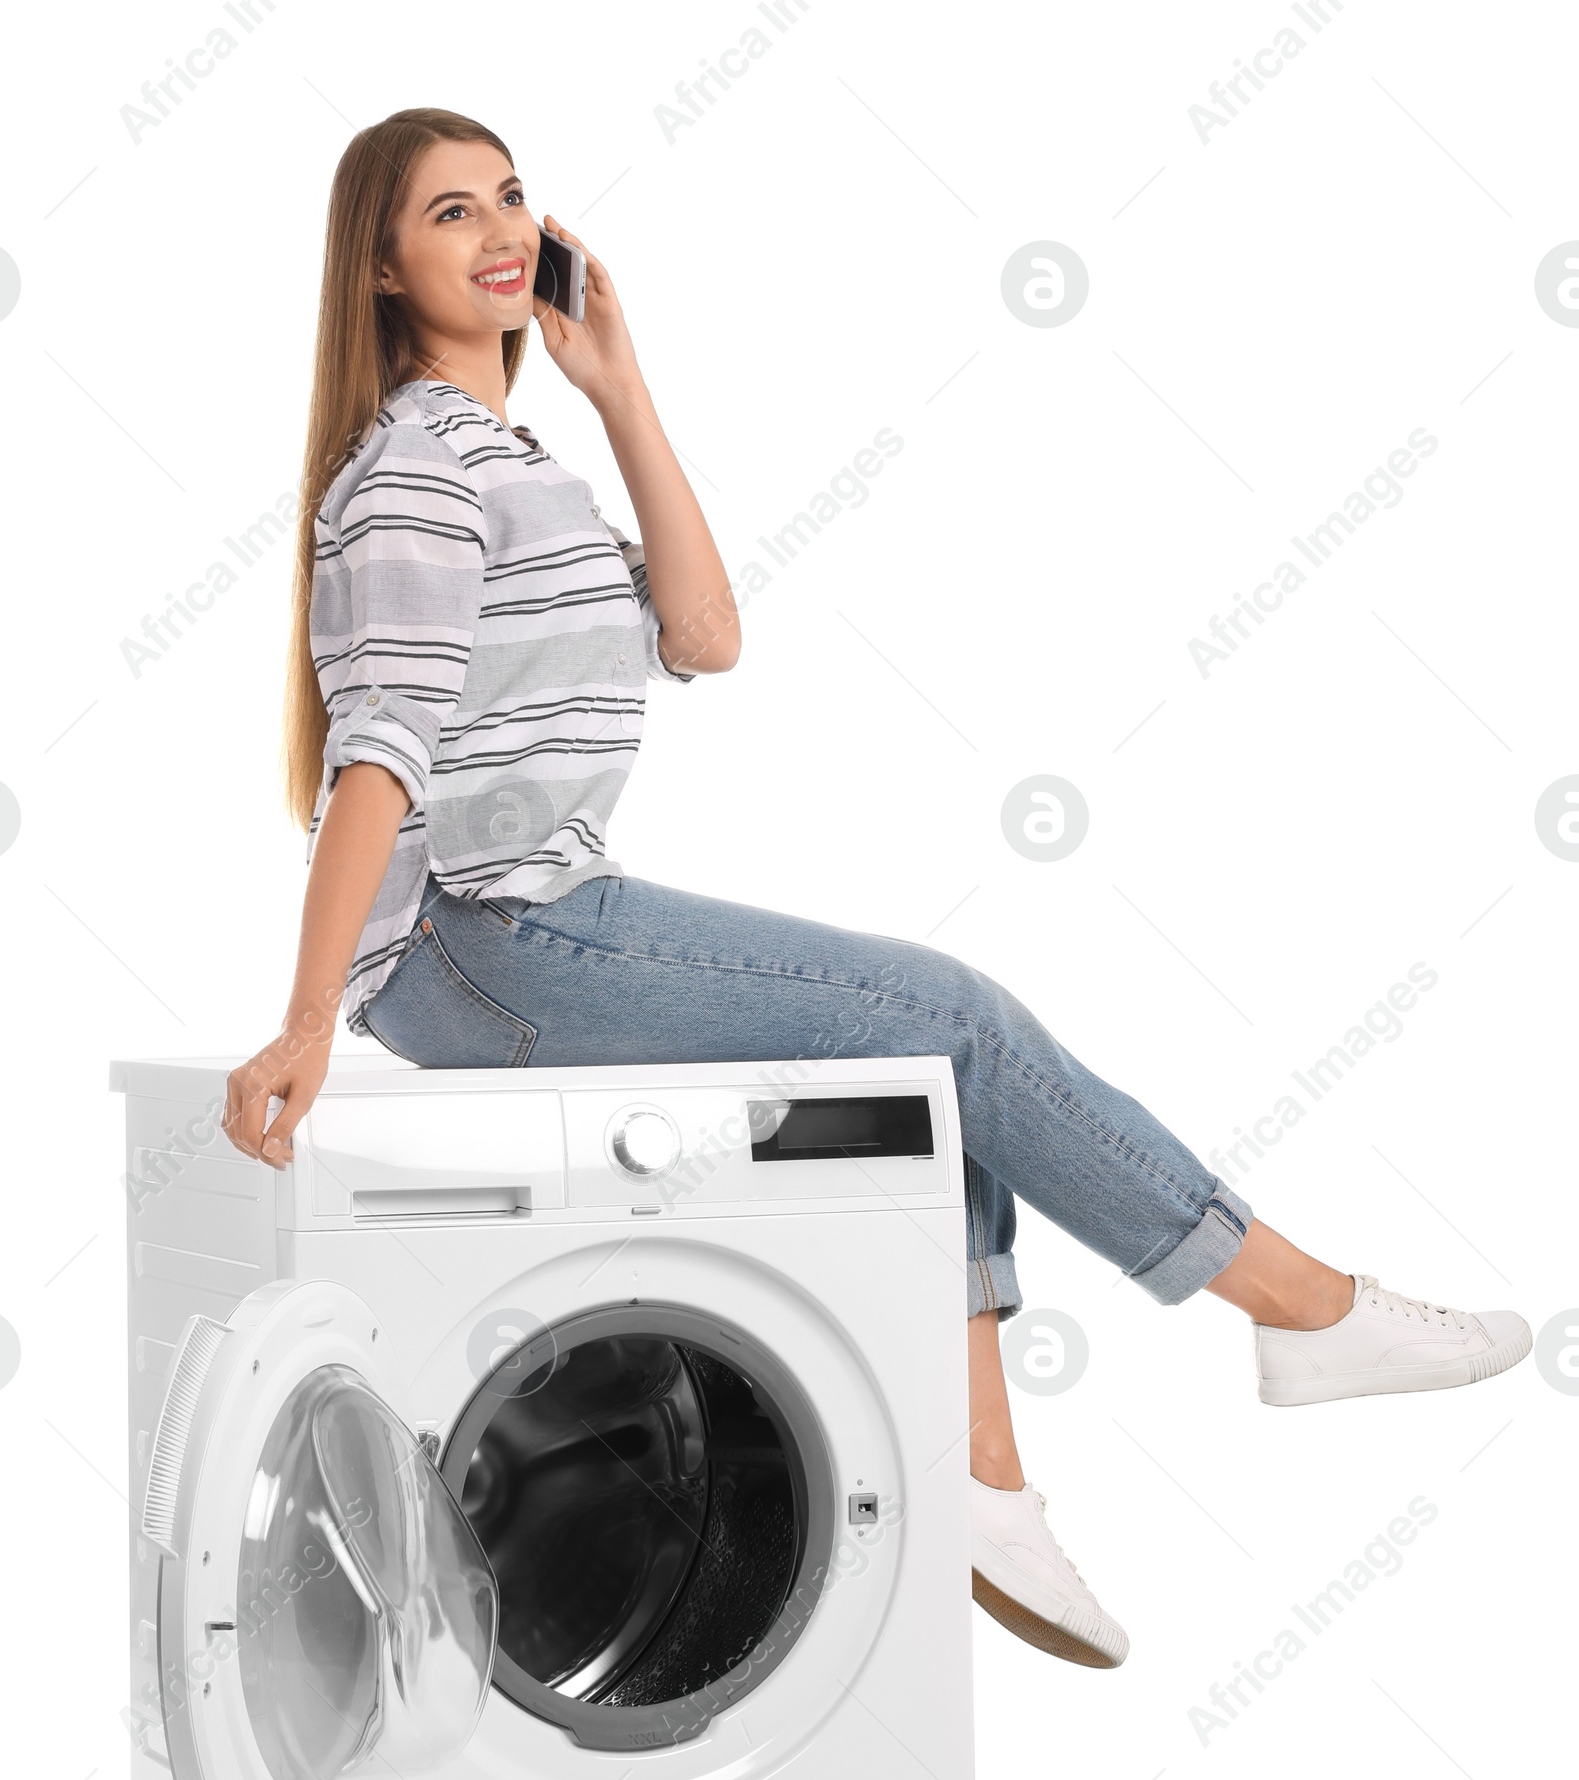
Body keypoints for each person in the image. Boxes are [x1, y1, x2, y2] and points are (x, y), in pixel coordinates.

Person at [223, 107, 1531, 1672]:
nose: (503, 229)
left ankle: (988, 1483)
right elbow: (382, 753)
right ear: (381, 263)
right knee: (949, 1012)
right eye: (451, 213)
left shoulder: (518, 461)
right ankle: (1297, 1305)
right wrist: (311, 1016)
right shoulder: (417, 477)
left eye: (512, 196)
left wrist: (621, 389)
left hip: (535, 917)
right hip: (476, 942)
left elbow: (704, 635)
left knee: (927, 1065)